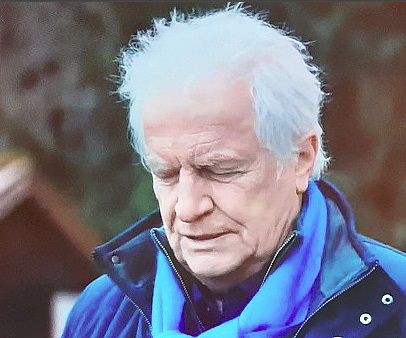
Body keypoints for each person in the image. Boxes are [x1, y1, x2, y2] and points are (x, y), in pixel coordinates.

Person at [63, 4, 405, 337]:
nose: (187, 208)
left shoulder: (398, 305)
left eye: (218, 170)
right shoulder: (100, 314)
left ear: (301, 157)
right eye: (166, 173)